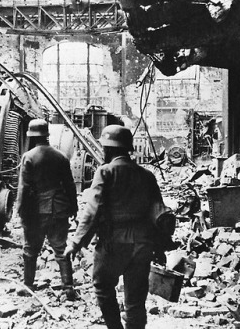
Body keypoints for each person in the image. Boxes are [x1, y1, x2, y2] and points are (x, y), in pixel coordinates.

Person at [64, 124, 170, 329]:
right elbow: (159, 212)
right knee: (136, 299)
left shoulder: (105, 172)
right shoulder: (147, 175)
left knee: (103, 287)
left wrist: (76, 243)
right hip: (142, 243)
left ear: (109, 149)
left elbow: (93, 211)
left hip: (114, 243)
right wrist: (159, 246)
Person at [16, 119, 78, 300]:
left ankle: (28, 285)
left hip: (35, 211)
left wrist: (19, 210)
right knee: (61, 249)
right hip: (59, 209)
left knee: (30, 250)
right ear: (46, 135)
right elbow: (70, 185)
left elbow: (23, 188)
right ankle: (68, 288)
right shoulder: (61, 157)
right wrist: (73, 207)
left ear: (32, 137)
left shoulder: (28, 157)